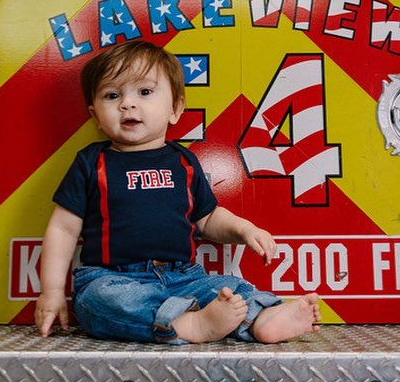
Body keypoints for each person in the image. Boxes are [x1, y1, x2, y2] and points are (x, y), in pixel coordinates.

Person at [35, 39, 321, 345]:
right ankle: (186, 325)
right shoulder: (92, 162)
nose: (127, 103)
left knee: (229, 287)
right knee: (98, 302)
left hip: (184, 277)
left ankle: (262, 319)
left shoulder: (183, 161)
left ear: (175, 109)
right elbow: (63, 229)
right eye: (112, 95)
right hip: (114, 277)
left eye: (144, 92)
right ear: (96, 117)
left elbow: (208, 218)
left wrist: (243, 229)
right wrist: (51, 292)